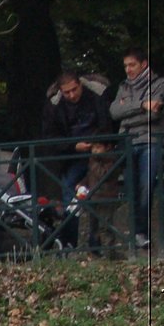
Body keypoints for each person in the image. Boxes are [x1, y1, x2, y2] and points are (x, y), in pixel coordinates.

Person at [42, 70, 114, 249]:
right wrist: (74, 146)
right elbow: (50, 137)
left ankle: (96, 244)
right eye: (67, 92)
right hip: (72, 157)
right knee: (70, 198)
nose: (72, 95)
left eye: (74, 90)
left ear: (80, 85)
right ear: (60, 91)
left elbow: (108, 123)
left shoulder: (97, 95)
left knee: (98, 198)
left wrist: (99, 143)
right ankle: (69, 244)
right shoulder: (55, 105)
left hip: (99, 155)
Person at [110, 47, 164, 246]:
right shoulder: (123, 86)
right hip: (127, 142)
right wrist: (142, 105)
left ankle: (142, 233)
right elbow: (114, 111)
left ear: (143, 64)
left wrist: (129, 110)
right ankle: (136, 234)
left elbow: (155, 114)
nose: (128, 69)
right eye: (125, 65)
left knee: (146, 187)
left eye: (132, 65)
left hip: (150, 141)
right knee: (131, 189)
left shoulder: (160, 83)